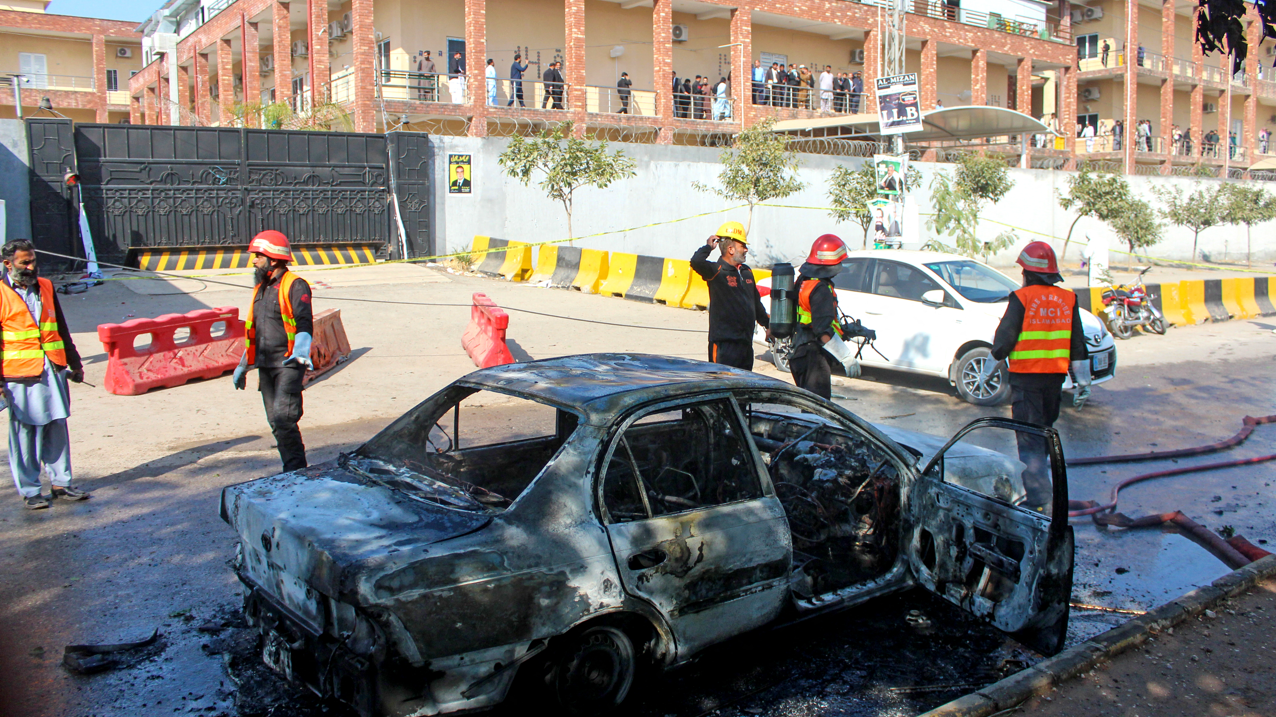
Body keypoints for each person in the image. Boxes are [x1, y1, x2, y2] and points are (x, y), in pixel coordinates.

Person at [981, 241, 1089, 509]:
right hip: (1054, 382)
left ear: (1027, 273)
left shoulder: (1022, 298)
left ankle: (1041, 501)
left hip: (1026, 381)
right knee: (1042, 437)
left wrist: (987, 372)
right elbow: (1077, 344)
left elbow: (1004, 340)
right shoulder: (1068, 299)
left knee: (1029, 441)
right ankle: (1044, 493)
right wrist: (1083, 382)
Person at [0, 239, 88, 509]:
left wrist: (75, 363)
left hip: (53, 367)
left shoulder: (46, 286)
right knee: (26, 433)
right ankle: (30, 490)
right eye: (24, 262)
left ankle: (61, 483)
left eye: (33, 261)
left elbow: (60, 327)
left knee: (57, 425)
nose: (31, 267)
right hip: (19, 375)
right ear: (8, 264)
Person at [232, 231, 314, 472]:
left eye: (258, 256)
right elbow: (256, 330)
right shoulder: (261, 288)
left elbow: (304, 321)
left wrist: (301, 349)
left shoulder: (295, 284)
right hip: (265, 364)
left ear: (274, 259)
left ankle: (296, 472)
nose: (254, 260)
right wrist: (244, 364)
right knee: (276, 422)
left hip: (289, 363)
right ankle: (292, 470)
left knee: (283, 417)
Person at [689, 221, 769, 370]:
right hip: (724, 347)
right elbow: (696, 261)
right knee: (722, 383)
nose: (746, 250)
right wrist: (708, 247)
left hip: (745, 346)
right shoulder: (716, 271)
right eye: (742, 246)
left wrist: (768, 325)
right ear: (731, 249)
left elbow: (755, 304)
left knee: (744, 383)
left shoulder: (746, 272)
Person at [789, 234, 860, 400]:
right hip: (813, 358)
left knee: (808, 406)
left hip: (799, 352)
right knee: (817, 409)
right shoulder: (820, 289)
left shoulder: (804, 280)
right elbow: (822, 330)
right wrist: (845, 357)